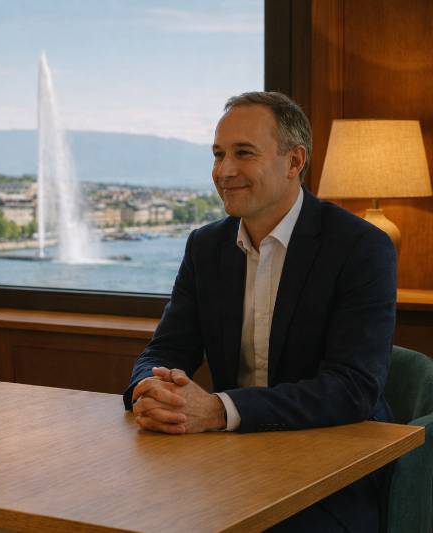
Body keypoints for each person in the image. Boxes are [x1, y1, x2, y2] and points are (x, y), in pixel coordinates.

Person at [124, 91, 396, 531]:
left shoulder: (361, 248)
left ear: (294, 162)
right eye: (218, 154)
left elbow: (352, 389)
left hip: (333, 469)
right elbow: (164, 352)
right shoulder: (205, 246)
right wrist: (151, 392)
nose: (224, 171)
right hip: (229, 461)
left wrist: (217, 409)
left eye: (244, 154)